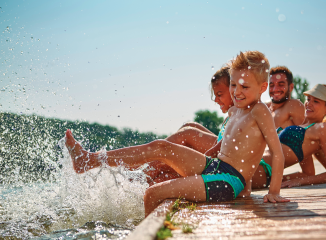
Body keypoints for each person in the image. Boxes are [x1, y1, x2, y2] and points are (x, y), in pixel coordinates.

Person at [65, 50, 290, 216]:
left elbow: (275, 152)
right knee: (160, 146)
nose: (237, 92)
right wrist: (246, 190)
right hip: (217, 167)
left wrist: (274, 191)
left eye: (244, 87)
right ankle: (89, 160)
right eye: (233, 85)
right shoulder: (236, 110)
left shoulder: (260, 111)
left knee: (153, 194)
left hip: (228, 179)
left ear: (262, 88)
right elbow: (240, 149)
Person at [139, 66, 233, 185]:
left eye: (219, 94)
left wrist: (187, 161)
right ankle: (140, 186)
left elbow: (216, 152)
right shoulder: (232, 116)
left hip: (236, 169)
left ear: (234, 89)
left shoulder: (245, 115)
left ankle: (140, 175)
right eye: (215, 95)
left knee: (187, 134)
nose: (215, 100)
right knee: (188, 126)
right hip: (224, 158)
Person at [254, 84, 326, 189]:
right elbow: (308, 173)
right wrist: (279, 179)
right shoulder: (305, 129)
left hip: (260, 169)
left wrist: (299, 181)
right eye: (308, 99)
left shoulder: (323, 128)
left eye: (316, 101)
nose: (309, 104)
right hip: (255, 164)